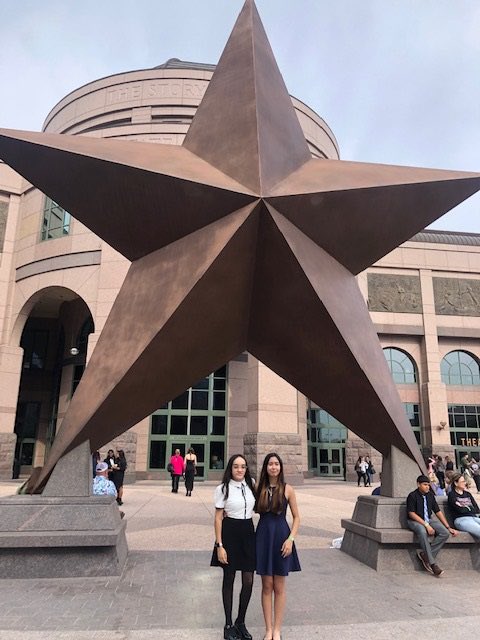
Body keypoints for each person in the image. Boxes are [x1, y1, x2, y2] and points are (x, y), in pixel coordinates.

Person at [255, 452, 301, 640]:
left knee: (279, 586)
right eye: (270, 464)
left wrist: (291, 539)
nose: (273, 467)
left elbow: (297, 517)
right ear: (265, 467)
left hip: (282, 537)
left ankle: (277, 629)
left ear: (280, 467)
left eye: (276, 464)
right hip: (264, 537)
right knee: (267, 585)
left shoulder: (288, 489)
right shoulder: (259, 487)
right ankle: (268, 628)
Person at [211, 454, 256, 640]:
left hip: (247, 532)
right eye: (236, 466)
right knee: (229, 577)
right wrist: (219, 545)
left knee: (248, 580)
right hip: (230, 533)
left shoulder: (251, 484)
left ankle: (241, 621)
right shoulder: (223, 488)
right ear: (230, 468)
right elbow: (218, 518)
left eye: (243, 466)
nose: (240, 470)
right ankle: (228, 624)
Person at [406, 474, 457, 577]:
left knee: (444, 533)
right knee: (422, 531)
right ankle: (433, 564)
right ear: (418, 484)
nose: (427, 487)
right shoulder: (412, 496)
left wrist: (448, 527)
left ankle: (425, 556)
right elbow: (411, 513)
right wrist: (426, 525)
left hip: (428, 519)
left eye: (428, 485)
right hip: (415, 521)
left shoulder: (430, 495)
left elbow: (437, 512)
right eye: (425, 485)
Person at [447, 472, 480, 540]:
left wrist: (465, 508)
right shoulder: (452, 495)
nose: (465, 483)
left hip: (474, 518)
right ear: (456, 483)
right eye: (462, 481)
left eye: (464, 481)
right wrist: (469, 508)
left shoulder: (467, 494)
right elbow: (459, 510)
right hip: (461, 520)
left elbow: (476, 509)